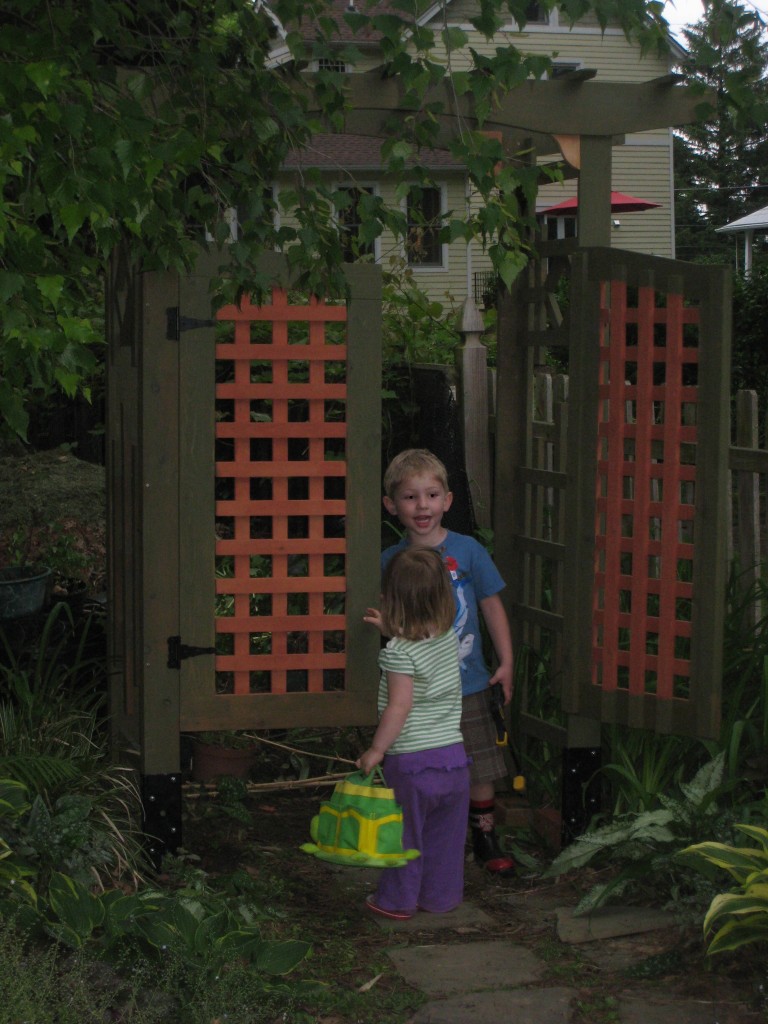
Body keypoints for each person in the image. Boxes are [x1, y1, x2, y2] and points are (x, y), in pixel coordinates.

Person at [370, 448, 515, 876]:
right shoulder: (389, 561)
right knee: (421, 763)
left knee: (479, 763)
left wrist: (505, 661)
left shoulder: (468, 551)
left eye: (431, 495)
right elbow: (389, 619)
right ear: (391, 506)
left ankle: (485, 834)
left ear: (448, 500)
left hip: (468, 681)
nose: (422, 506)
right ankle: (425, 834)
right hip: (415, 689)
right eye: (411, 497)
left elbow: (490, 604)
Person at [356, 546, 470, 921]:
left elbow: (399, 706)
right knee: (444, 837)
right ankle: (439, 898)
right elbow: (423, 641)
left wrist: (376, 749)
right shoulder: (447, 637)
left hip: (413, 763)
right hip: (454, 760)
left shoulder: (398, 654)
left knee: (405, 836)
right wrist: (393, 630)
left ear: (392, 599)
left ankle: (397, 901)